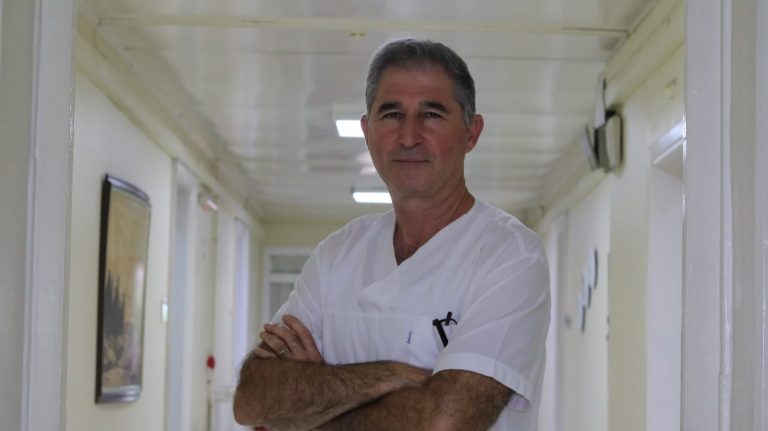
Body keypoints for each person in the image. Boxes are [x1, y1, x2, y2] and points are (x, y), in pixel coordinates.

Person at [233, 38, 550, 431]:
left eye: (431, 114)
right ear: (367, 131)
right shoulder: (337, 255)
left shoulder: (510, 256)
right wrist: (392, 375)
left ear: (472, 132)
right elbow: (252, 399)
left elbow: (444, 424)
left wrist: (313, 405)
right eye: (391, 114)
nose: (409, 136)